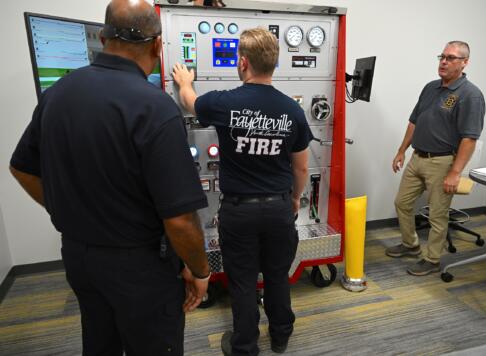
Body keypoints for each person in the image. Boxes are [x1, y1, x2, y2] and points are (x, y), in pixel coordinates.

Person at [10, 1, 210, 355]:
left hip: (78, 258)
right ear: (157, 45)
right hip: (140, 268)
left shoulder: (58, 94)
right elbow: (180, 220)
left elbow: (22, 168)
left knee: (100, 342)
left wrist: (63, 206)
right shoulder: (156, 108)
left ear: (102, 38)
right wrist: (200, 270)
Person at [172, 28, 312, 355]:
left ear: (243, 63)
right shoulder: (293, 111)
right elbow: (301, 168)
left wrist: (184, 82)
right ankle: (280, 335)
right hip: (278, 208)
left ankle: (245, 346)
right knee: (278, 275)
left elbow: (190, 103)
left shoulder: (226, 102)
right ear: (274, 64)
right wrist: (293, 199)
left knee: (243, 281)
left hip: (239, 210)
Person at [386, 41, 485, 276]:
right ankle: (411, 245)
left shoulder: (470, 95)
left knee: (437, 215)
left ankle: (432, 260)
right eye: (442, 56)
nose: (444, 61)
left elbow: (469, 139)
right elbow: (414, 121)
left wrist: (454, 173)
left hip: (443, 162)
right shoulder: (430, 88)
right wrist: (402, 150)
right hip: (417, 157)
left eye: (451, 58)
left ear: (464, 63)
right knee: (402, 203)